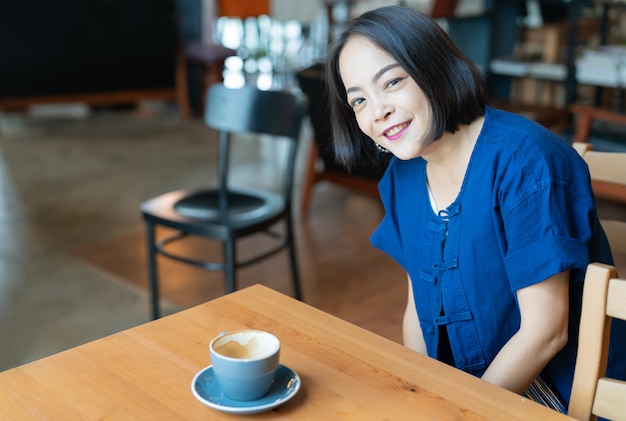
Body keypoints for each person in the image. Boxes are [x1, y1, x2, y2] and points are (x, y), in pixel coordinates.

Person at [325, 5, 626, 412]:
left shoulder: (525, 162)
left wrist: (459, 411)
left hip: (554, 396)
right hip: (466, 391)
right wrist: (418, 395)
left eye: (392, 82)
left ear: (433, 67)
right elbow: (417, 310)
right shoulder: (402, 177)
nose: (377, 111)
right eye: (358, 100)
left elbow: (546, 333)